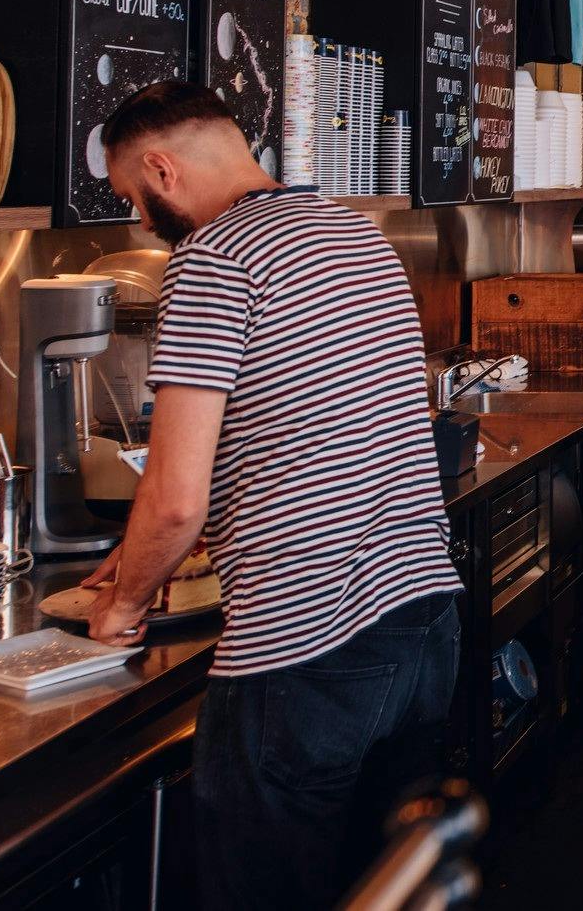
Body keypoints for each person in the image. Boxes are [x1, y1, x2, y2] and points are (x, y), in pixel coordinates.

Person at [82, 81, 462, 909]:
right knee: (385, 890)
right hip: (422, 621)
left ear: (161, 168)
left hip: (306, 649)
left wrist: (124, 602)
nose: (142, 222)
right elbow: (316, 428)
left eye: (133, 198)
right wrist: (154, 546)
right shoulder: (352, 232)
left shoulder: (213, 258)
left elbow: (176, 495)